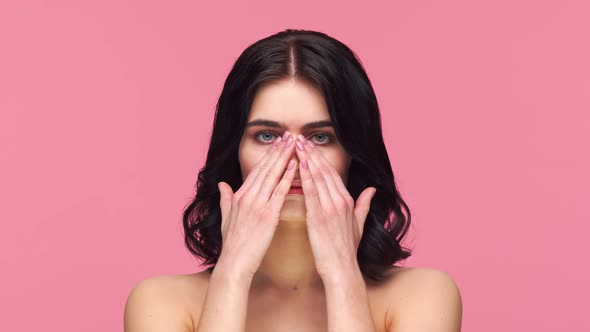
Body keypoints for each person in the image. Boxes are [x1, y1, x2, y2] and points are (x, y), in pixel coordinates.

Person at [124, 29, 462, 332]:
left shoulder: (423, 295)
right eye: (268, 135)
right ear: (234, 151)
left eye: (320, 138)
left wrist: (342, 274)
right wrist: (233, 273)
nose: (293, 159)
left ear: (353, 153)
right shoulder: (159, 303)